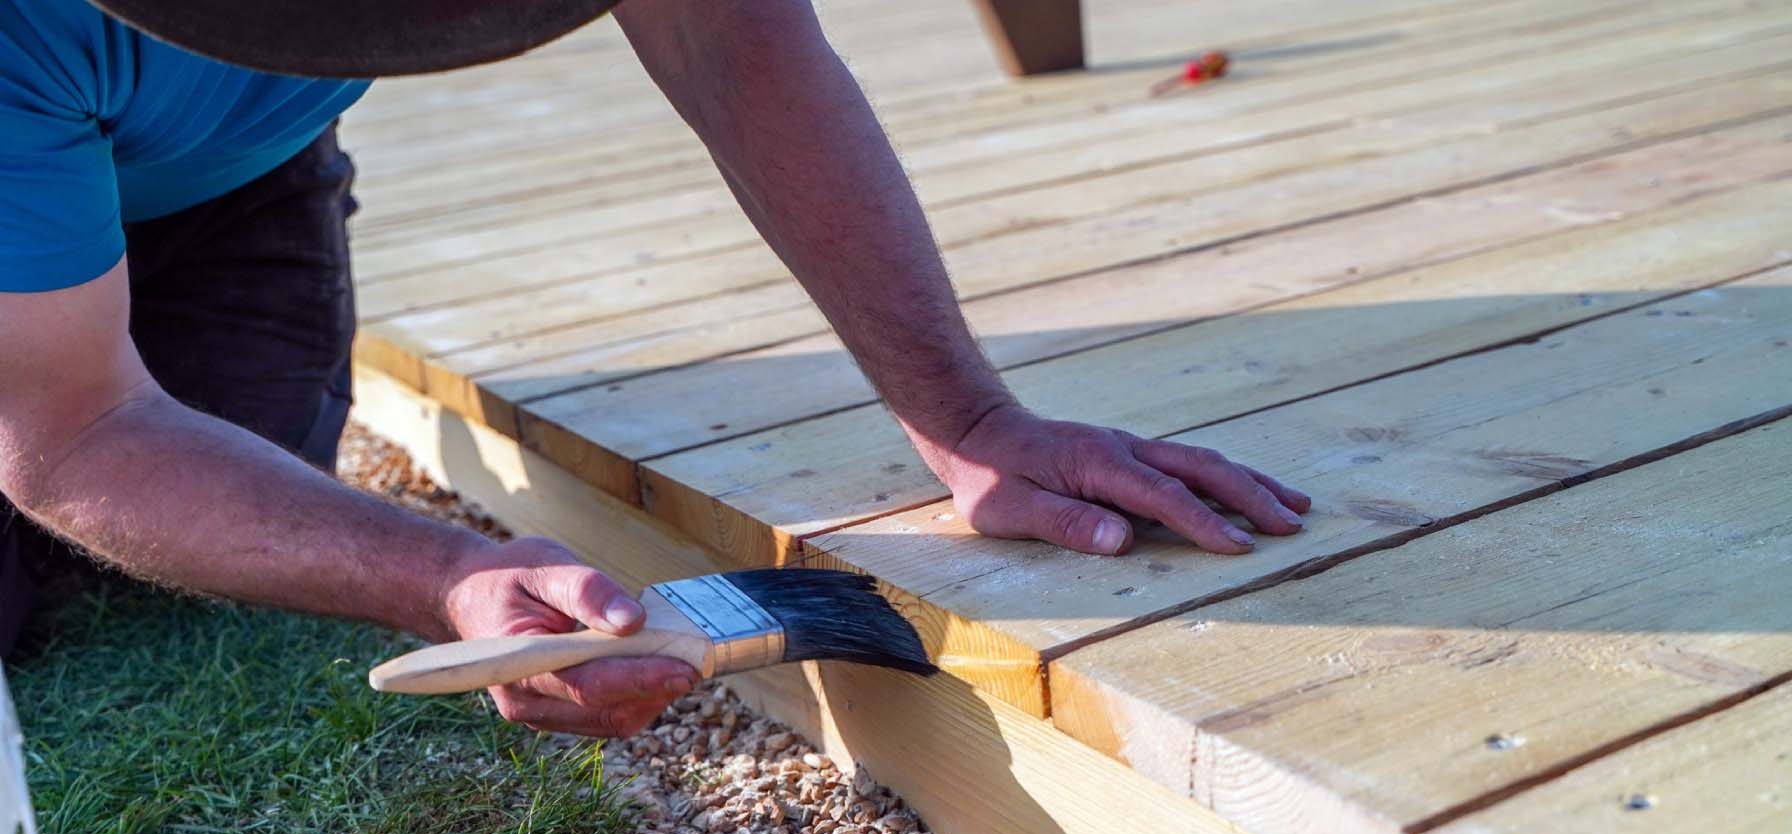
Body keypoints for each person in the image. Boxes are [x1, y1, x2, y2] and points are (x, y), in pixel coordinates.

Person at [0, 0, 1310, 737]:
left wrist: (967, 416)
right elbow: (77, 434)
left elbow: (738, 44)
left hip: (230, 178)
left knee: (222, 503)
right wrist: (448, 574)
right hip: (38, 144)